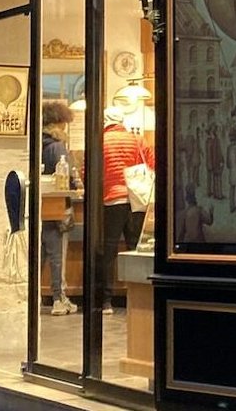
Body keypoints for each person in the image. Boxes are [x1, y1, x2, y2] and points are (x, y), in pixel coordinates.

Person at [99, 100, 154, 313]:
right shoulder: (137, 140)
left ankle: (106, 301)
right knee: (135, 248)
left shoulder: (100, 141)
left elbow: (87, 171)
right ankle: (137, 298)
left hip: (112, 200)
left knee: (109, 250)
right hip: (135, 200)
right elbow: (152, 164)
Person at [40, 99, 79, 315]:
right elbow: (68, 179)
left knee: (40, 256)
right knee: (57, 256)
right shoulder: (58, 146)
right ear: (59, 123)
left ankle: (32, 296)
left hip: (41, 208)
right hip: (58, 206)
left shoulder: (38, 143)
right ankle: (59, 298)